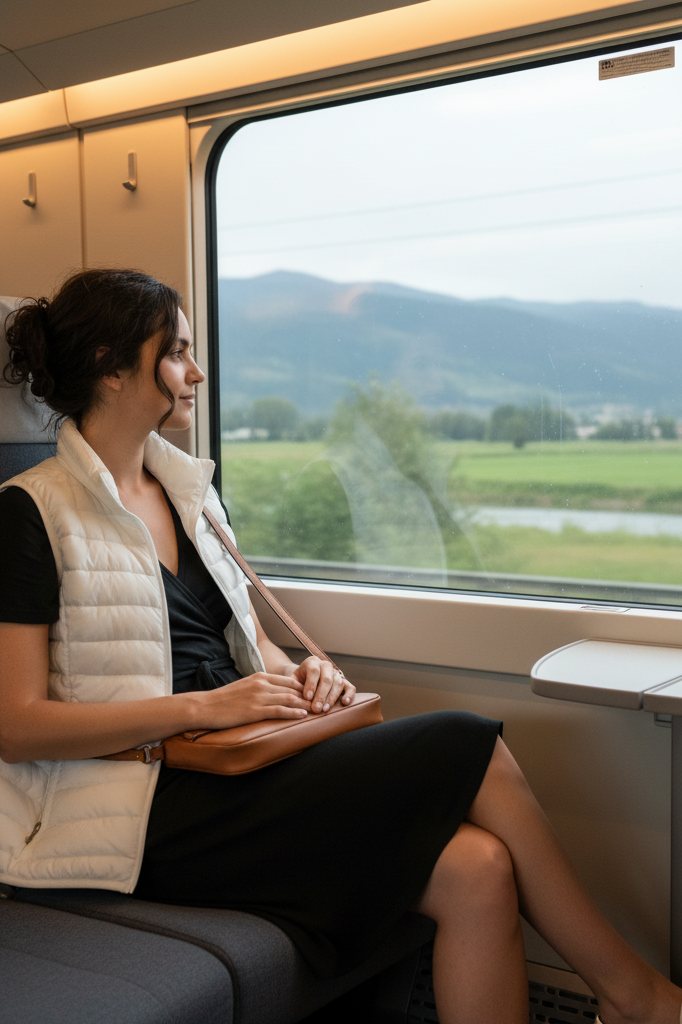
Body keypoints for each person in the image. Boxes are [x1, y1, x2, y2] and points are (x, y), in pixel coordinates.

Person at [0, 268, 679, 1024]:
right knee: (466, 741)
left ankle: (635, 1000)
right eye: (177, 352)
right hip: (143, 808)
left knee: (477, 868)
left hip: (238, 765)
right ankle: (637, 998)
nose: (196, 372)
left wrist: (303, 676)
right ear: (112, 366)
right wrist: (204, 705)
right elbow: (16, 724)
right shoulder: (31, 515)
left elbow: (245, 643)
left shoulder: (190, 495)